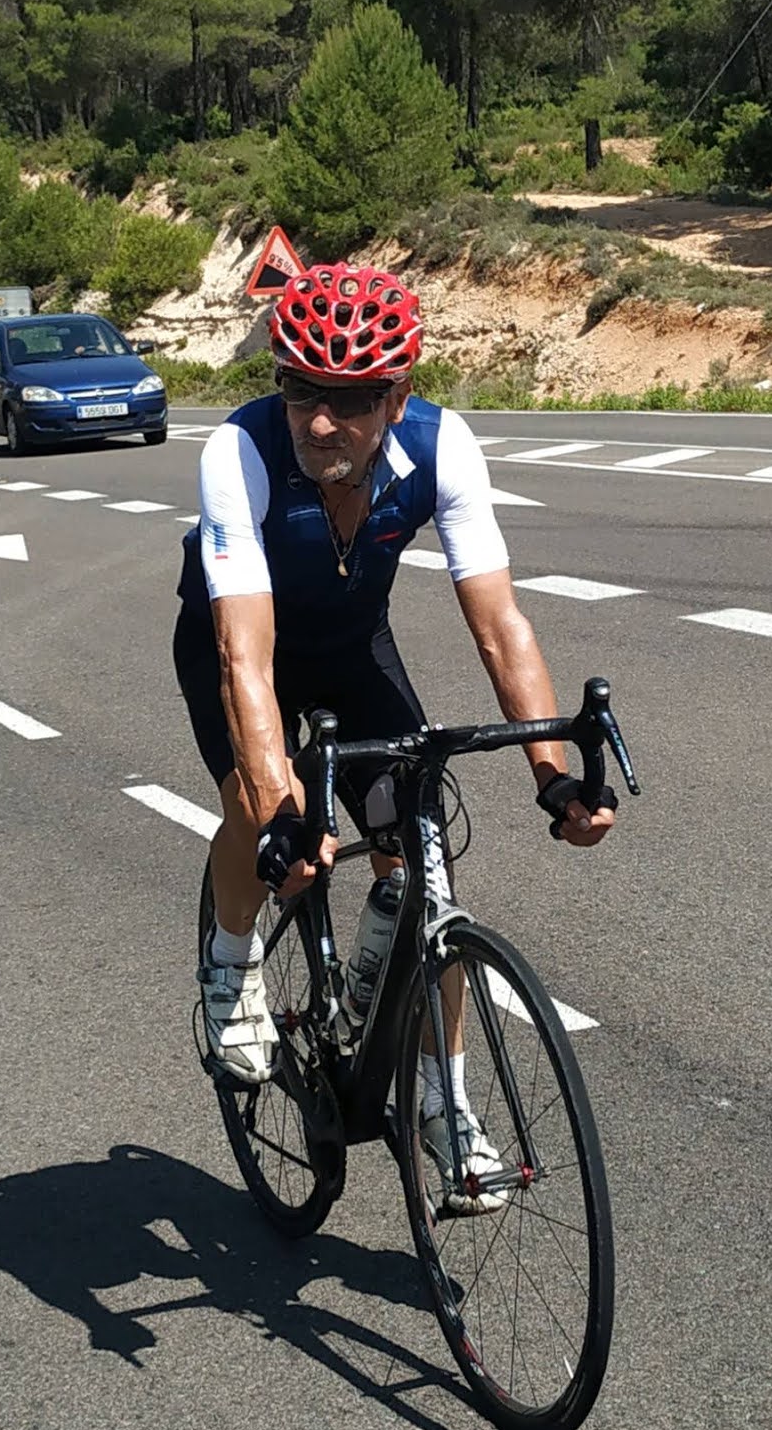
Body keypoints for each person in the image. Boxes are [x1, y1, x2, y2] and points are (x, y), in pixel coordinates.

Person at [172, 261, 614, 1208]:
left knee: (424, 864)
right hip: (239, 644)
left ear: (397, 397)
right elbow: (246, 659)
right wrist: (280, 806)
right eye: (301, 391)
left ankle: (444, 1103)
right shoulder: (240, 451)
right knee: (265, 806)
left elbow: (499, 625)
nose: (320, 422)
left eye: (351, 399)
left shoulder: (443, 446)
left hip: (350, 644)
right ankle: (232, 961)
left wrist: (551, 773)